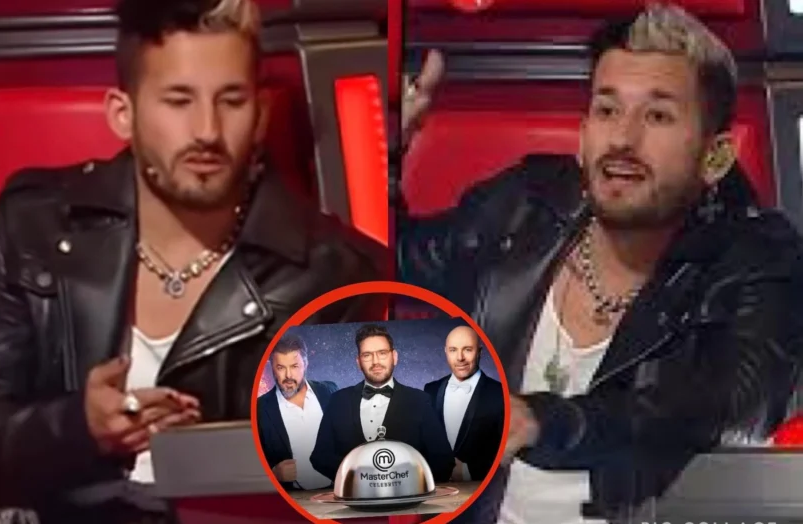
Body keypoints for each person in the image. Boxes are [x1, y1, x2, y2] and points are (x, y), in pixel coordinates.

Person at [0, 0, 388, 522]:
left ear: (260, 115)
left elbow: (355, 488)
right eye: (178, 100)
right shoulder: (33, 226)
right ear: (123, 114)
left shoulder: (335, 274)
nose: (207, 131)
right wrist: (78, 429)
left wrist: (218, 461)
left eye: (231, 101)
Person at [398, 4, 803, 523]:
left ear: (716, 157)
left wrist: (544, 421)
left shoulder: (758, 259)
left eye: (657, 116)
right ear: (584, 132)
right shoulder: (521, 208)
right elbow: (389, 262)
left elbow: (723, 408)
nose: (623, 139)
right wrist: (389, 155)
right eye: (608, 110)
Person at [310, 324, 455, 483]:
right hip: (351, 496)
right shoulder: (338, 400)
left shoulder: (420, 400)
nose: (376, 361)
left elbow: (443, 460)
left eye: (382, 353)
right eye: (367, 355)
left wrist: (403, 481)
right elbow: (320, 457)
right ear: (358, 362)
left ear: (394, 357)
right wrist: (356, 478)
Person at [423, 325, 505, 483]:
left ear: (479, 352)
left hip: (479, 488)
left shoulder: (500, 393)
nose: (460, 357)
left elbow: (507, 450)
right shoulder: (431, 390)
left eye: (467, 349)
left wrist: (468, 471)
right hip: (436, 487)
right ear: (446, 352)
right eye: (453, 350)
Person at [257, 335, 337, 491]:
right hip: (294, 498)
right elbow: (245, 464)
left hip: (336, 492)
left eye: (294, 366)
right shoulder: (259, 409)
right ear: (272, 367)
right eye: (281, 367)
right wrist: (273, 474)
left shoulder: (329, 391)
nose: (288, 375)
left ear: (305, 364)